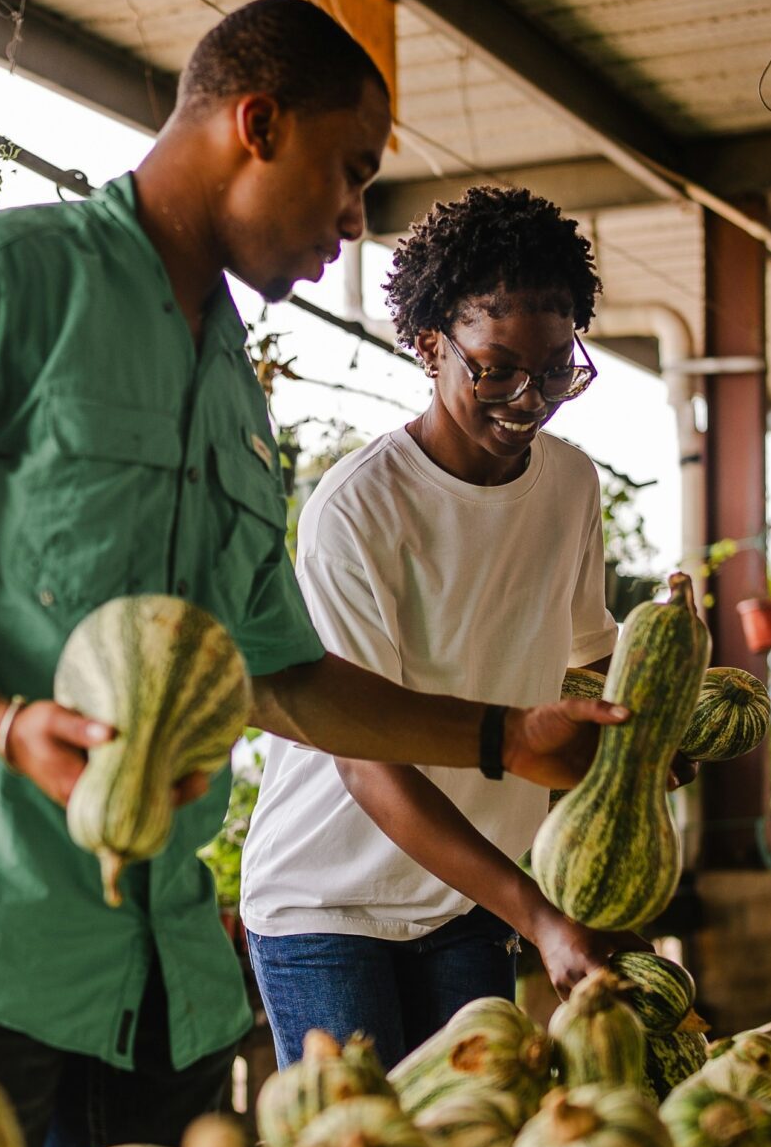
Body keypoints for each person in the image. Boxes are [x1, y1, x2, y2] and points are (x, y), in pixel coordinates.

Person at [0, 0, 630, 1147]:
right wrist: (2, 724)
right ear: (256, 124)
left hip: (151, 953)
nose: (354, 223)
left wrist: (504, 737)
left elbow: (280, 673)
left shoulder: (225, 383)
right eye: (348, 174)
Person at [240, 185, 645, 1070]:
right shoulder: (359, 509)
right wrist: (537, 915)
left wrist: (653, 735)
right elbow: (363, 758)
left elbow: (591, 653)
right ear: (429, 346)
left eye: (554, 370)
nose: (528, 398)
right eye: (496, 368)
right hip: (328, 905)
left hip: (467, 900)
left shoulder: (570, 486)